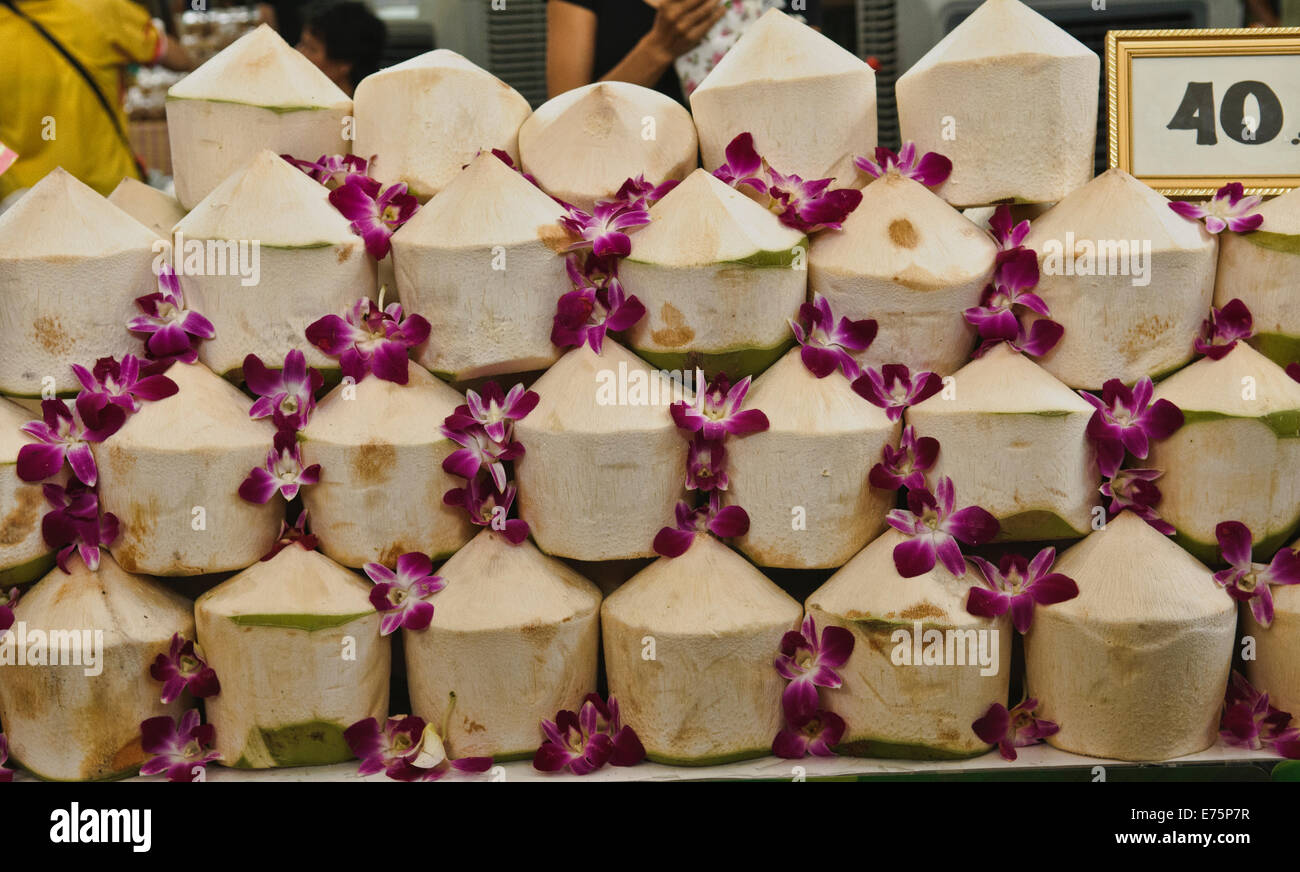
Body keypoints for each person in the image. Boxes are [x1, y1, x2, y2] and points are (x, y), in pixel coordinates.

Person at [0, 0, 193, 201]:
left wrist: (12, 183)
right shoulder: (98, 7)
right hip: (112, 196)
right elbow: (180, 59)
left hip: (26, 205)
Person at [546, 0, 822, 103]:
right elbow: (563, 120)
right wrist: (658, 49)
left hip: (762, 184)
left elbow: (814, 93)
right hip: (629, 192)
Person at [296, 0, 387, 97]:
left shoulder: (367, 109)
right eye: (301, 43)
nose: (298, 52)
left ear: (344, 64)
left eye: (311, 49)